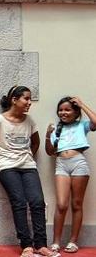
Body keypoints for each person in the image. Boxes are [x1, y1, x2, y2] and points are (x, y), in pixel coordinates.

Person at [0, 86, 59, 257]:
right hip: (6, 167)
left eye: (30, 99)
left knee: (37, 202)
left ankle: (41, 245)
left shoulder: (29, 121)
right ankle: (26, 246)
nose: (29, 102)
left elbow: (35, 142)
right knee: (19, 202)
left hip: (28, 166)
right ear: (14, 100)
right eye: (26, 99)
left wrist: (27, 156)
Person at [45, 96, 96, 254]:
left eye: (67, 109)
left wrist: (82, 104)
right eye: (60, 110)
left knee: (76, 204)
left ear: (75, 112)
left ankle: (73, 241)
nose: (63, 112)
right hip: (61, 164)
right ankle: (55, 242)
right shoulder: (57, 129)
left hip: (78, 163)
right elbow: (50, 152)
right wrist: (48, 135)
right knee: (61, 204)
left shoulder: (82, 125)